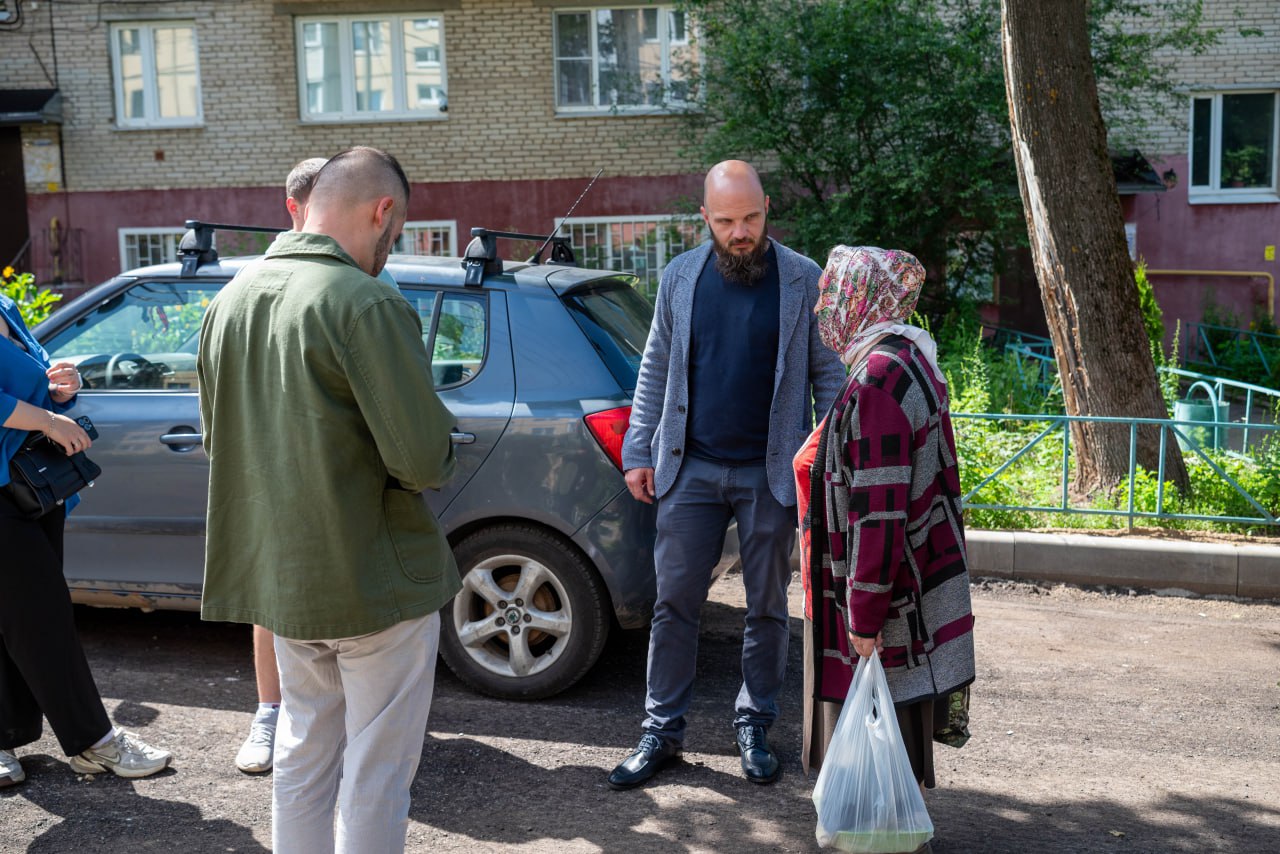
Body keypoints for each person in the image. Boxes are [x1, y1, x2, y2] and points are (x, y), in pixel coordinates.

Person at [197, 146, 460, 853]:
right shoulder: (366, 301)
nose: (390, 248)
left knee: (302, 758)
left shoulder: (229, 300)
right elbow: (422, 458)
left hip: (284, 582)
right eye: (396, 234)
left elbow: (219, 440)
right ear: (382, 211)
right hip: (375, 583)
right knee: (376, 773)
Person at [608, 160, 845, 790]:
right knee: (673, 604)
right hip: (688, 470)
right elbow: (655, 364)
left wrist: (828, 459)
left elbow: (830, 377)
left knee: (766, 606)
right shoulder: (680, 277)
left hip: (769, 474)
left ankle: (754, 723)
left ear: (767, 207)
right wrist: (638, 449)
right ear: (705, 219)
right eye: (726, 221)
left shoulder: (803, 279)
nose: (741, 232)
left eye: (751, 218)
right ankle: (661, 731)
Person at [796, 246, 975, 840]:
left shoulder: (877, 379)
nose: (824, 306)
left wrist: (864, 613)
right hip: (916, 585)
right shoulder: (906, 356)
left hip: (893, 598)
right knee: (895, 730)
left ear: (858, 299)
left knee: (885, 723)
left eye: (832, 294)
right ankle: (890, 828)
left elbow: (879, 508)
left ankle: (883, 834)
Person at [233, 155, 399, 775]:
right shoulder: (258, 286)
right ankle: (269, 711)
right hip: (278, 486)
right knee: (273, 607)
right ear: (294, 211)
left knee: (333, 735)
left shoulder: (369, 285)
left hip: (343, 491)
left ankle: (327, 724)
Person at [1, 291, 172, 786]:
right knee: (41, 617)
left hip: (27, 484)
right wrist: (50, 420)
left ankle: (3, 735)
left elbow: (31, 381)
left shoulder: (4, 306)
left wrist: (60, 389)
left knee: (15, 618)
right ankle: (93, 744)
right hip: (7, 487)